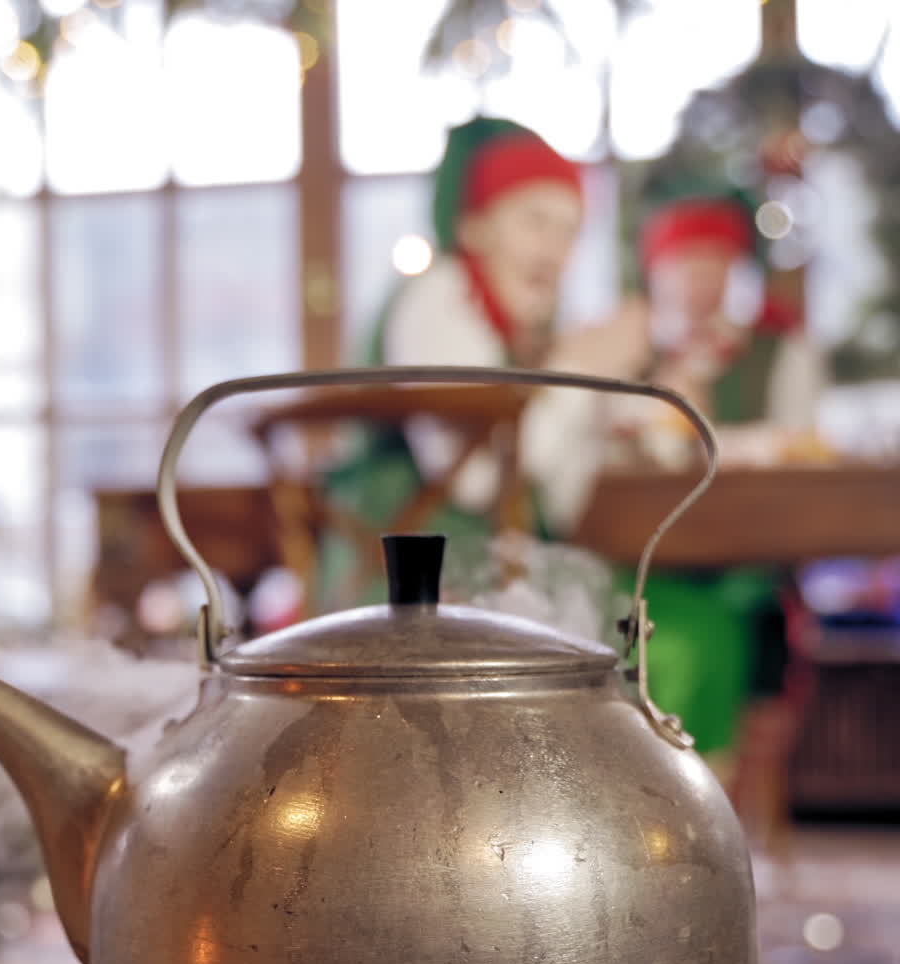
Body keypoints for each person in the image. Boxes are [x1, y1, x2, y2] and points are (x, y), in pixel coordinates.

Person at [323, 117, 648, 602]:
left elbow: (557, 503)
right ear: (475, 228)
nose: (554, 250)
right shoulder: (440, 298)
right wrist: (577, 372)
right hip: (406, 590)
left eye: (569, 231)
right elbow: (475, 482)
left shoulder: (519, 334)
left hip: (490, 580)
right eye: (535, 222)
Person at [618, 179, 829, 758]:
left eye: (714, 262)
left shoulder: (777, 349)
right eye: (684, 263)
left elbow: (797, 442)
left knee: (754, 623)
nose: (698, 279)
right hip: (646, 563)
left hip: (747, 565)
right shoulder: (628, 354)